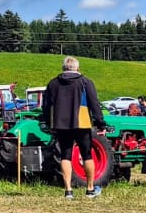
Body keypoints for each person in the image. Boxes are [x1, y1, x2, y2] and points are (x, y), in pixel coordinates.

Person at [41, 56, 107, 200]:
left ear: (63, 68)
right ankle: (90, 189)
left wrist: (48, 122)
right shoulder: (85, 82)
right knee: (87, 154)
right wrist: (101, 123)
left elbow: (46, 106)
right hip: (81, 122)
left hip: (61, 123)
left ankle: (68, 191)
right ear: (77, 68)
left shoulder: (53, 83)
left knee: (65, 155)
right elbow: (94, 104)